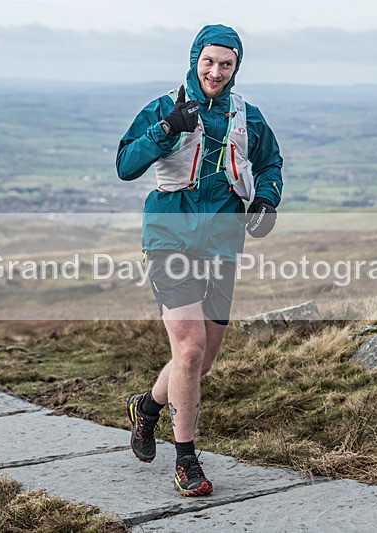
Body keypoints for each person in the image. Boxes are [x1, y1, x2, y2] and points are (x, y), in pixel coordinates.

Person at [116, 24, 283, 496]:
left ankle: (147, 409)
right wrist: (166, 129)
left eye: (225, 64)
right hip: (170, 234)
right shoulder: (165, 107)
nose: (215, 71)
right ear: (195, 60)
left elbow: (270, 162)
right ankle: (186, 459)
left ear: (236, 67)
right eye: (208, 61)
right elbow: (126, 164)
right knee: (187, 350)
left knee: (201, 359)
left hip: (224, 242)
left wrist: (267, 199)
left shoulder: (246, 116)